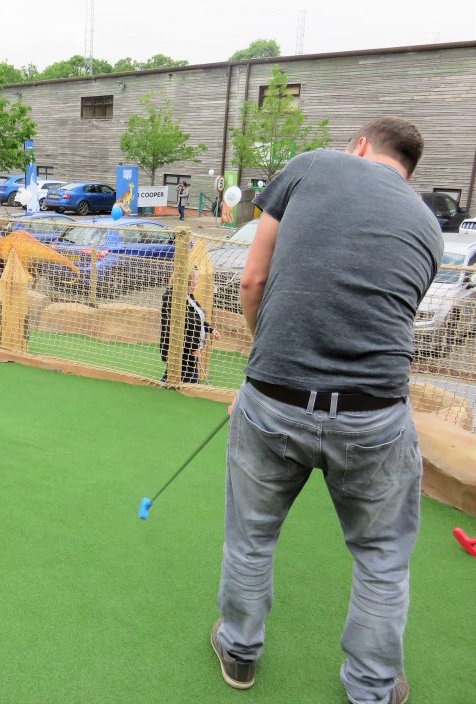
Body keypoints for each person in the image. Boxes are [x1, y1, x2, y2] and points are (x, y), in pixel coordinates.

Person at [211, 117, 443, 704]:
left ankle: (238, 652)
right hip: (374, 414)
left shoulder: (314, 165)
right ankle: (371, 689)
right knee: (382, 560)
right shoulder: (428, 225)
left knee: (251, 538)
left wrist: (264, 372)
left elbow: (253, 280)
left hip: (274, 402)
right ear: (409, 168)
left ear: (360, 146)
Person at [159, 267, 218, 383]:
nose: (198, 280)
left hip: (189, 349)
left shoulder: (189, 296)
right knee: (187, 382)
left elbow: (196, 319)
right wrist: (193, 347)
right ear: (188, 280)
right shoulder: (173, 298)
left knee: (173, 379)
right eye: (196, 278)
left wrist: (210, 329)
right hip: (182, 350)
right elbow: (183, 325)